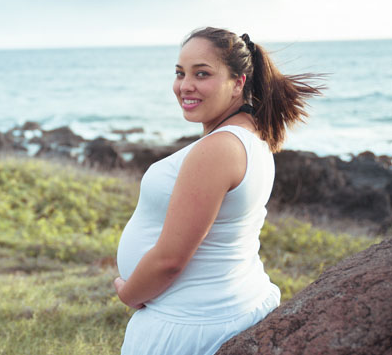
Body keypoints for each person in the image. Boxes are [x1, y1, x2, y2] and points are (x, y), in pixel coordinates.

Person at [114, 27, 323, 355]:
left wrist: (128, 293)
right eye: (180, 73)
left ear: (238, 83)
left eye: (202, 74)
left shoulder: (218, 149)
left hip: (192, 327)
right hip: (222, 307)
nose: (185, 86)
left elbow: (169, 260)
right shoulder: (250, 135)